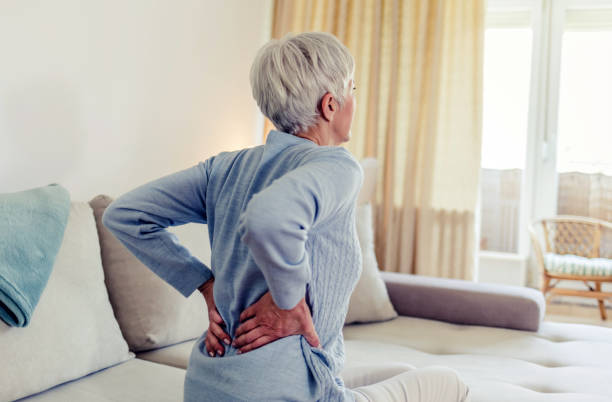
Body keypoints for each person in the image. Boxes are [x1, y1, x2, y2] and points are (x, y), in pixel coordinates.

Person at [102, 31, 471, 402]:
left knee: (403, 374)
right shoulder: (337, 167)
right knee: (451, 382)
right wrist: (288, 301)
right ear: (330, 104)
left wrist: (205, 284)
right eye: (352, 88)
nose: (353, 100)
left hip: (207, 386)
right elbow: (269, 218)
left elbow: (125, 214)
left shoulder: (225, 167)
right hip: (284, 391)